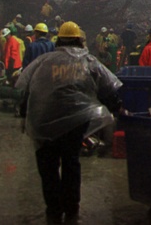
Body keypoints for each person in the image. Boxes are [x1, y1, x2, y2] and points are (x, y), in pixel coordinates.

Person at [17, 21, 123, 224]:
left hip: (43, 122)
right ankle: (71, 207)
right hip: (75, 125)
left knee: (47, 167)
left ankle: (53, 208)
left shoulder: (43, 61)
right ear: (79, 40)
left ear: (58, 40)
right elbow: (108, 88)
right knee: (71, 163)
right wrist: (118, 108)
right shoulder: (89, 62)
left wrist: (24, 116)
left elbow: (27, 91)